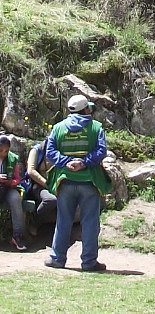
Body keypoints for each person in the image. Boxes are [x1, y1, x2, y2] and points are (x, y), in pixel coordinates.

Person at [44, 94, 110, 272]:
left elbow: (50, 152)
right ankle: (89, 262)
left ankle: (57, 259)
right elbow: (101, 151)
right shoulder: (96, 127)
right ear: (86, 109)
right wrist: (84, 163)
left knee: (63, 221)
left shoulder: (58, 128)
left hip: (65, 181)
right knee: (90, 223)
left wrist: (66, 162)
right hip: (90, 181)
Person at [21, 139, 57, 236]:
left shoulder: (59, 150)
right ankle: (34, 222)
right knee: (50, 200)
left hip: (57, 185)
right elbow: (31, 171)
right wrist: (47, 184)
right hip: (38, 185)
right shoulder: (36, 150)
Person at [0, 136, 27, 250]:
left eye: (6, 151)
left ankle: (17, 236)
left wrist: (11, 182)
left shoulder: (13, 158)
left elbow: (18, 178)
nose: (3, 153)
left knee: (16, 198)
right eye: (1, 150)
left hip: (8, 188)